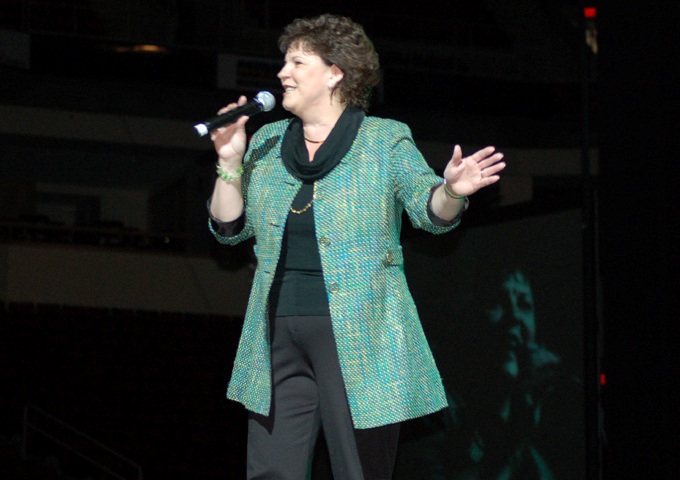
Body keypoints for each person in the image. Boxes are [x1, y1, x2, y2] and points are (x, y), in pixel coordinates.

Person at [207, 13, 506, 480]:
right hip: (274, 332)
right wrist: (229, 162)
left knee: (358, 470)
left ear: (335, 72)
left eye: (297, 62)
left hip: (358, 333)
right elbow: (229, 228)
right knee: (270, 471)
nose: (283, 73)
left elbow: (430, 215)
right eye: (284, 62)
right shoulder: (265, 141)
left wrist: (451, 191)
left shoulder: (383, 141)